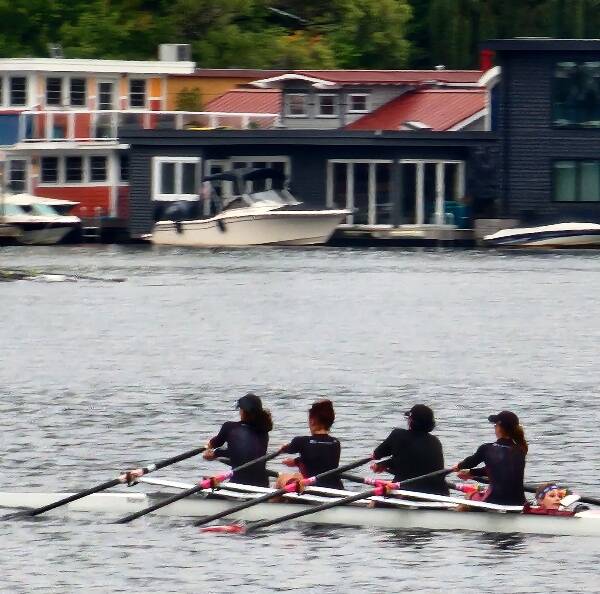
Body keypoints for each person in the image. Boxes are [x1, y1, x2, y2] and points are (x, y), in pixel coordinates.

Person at [453, 410, 527, 506]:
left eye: (495, 425)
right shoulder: (520, 450)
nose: (494, 427)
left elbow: (471, 462)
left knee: (469, 496)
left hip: (494, 501)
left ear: (499, 428)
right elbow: (499, 469)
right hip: (519, 503)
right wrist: (471, 472)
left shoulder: (487, 448)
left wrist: (459, 466)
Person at [372, 404, 449, 496]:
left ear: (411, 420)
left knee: (376, 498)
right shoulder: (435, 442)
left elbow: (376, 455)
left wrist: (380, 464)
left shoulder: (398, 435)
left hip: (406, 493)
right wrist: (384, 464)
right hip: (439, 494)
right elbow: (414, 462)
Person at [203, 393, 273, 487]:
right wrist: (218, 453)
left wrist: (211, 451)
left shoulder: (229, 427)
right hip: (263, 485)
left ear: (243, 411)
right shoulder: (264, 431)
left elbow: (214, 444)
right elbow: (244, 454)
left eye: (240, 409)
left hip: (238, 484)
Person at [276, 400, 343, 490]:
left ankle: (272, 502)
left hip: (312, 489)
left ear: (312, 421)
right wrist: (296, 462)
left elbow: (287, 449)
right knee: (296, 475)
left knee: (282, 477)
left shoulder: (301, 441)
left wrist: (283, 448)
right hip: (336, 488)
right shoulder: (336, 443)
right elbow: (321, 460)